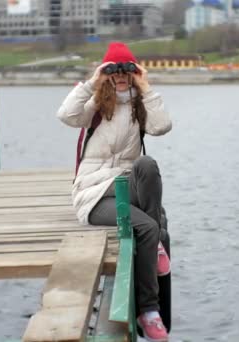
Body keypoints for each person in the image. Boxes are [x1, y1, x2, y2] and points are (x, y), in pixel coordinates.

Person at [56, 42, 172, 341]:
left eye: (127, 71)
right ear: (105, 74)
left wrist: (146, 88)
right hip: (93, 193)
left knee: (146, 164)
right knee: (147, 227)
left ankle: (154, 246)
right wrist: (92, 83)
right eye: (114, 71)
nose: (121, 76)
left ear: (134, 74)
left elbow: (162, 127)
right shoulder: (95, 103)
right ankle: (149, 310)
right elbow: (66, 116)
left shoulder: (138, 104)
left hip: (124, 182)